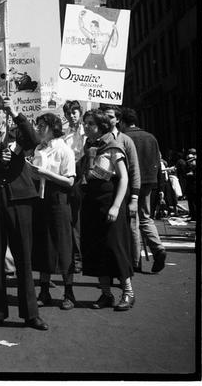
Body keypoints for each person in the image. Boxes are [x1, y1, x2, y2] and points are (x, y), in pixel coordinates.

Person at [0, 94, 48, 331]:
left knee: (23, 257)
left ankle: (30, 314)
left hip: (19, 201)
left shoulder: (17, 134)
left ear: (3, 114)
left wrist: (15, 112)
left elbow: (35, 139)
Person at [80, 109, 135, 311]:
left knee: (115, 246)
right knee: (97, 247)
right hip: (92, 202)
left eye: (90, 124)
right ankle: (106, 294)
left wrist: (116, 206)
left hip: (109, 201)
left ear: (101, 126)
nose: (86, 127)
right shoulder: (88, 146)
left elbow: (124, 178)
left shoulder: (113, 145)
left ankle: (128, 292)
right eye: (85, 123)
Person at [30, 112, 76, 310]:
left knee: (63, 245)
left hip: (58, 199)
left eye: (42, 126)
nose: (39, 129)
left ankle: (69, 292)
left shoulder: (64, 150)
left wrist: (45, 173)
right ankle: (44, 291)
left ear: (52, 128)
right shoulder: (38, 148)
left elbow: (70, 180)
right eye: (38, 125)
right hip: (40, 199)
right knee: (43, 245)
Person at [119, 108, 167, 273]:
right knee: (146, 218)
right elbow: (158, 162)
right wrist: (159, 185)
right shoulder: (151, 137)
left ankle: (135, 260)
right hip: (148, 181)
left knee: (133, 220)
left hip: (131, 182)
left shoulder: (124, 138)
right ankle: (158, 248)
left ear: (122, 122)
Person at [100, 105, 142, 271]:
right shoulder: (97, 139)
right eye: (105, 116)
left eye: (111, 116)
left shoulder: (125, 140)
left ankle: (132, 265)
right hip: (105, 192)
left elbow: (134, 170)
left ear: (117, 119)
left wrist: (134, 198)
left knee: (128, 229)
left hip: (123, 190)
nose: (107, 119)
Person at [62, 100, 86, 274]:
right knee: (74, 218)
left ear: (80, 112)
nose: (71, 116)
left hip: (86, 173)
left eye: (74, 112)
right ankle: (77, 257)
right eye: (68, 113)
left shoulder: (87, 131)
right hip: (72, 175)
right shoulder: (65, 134)